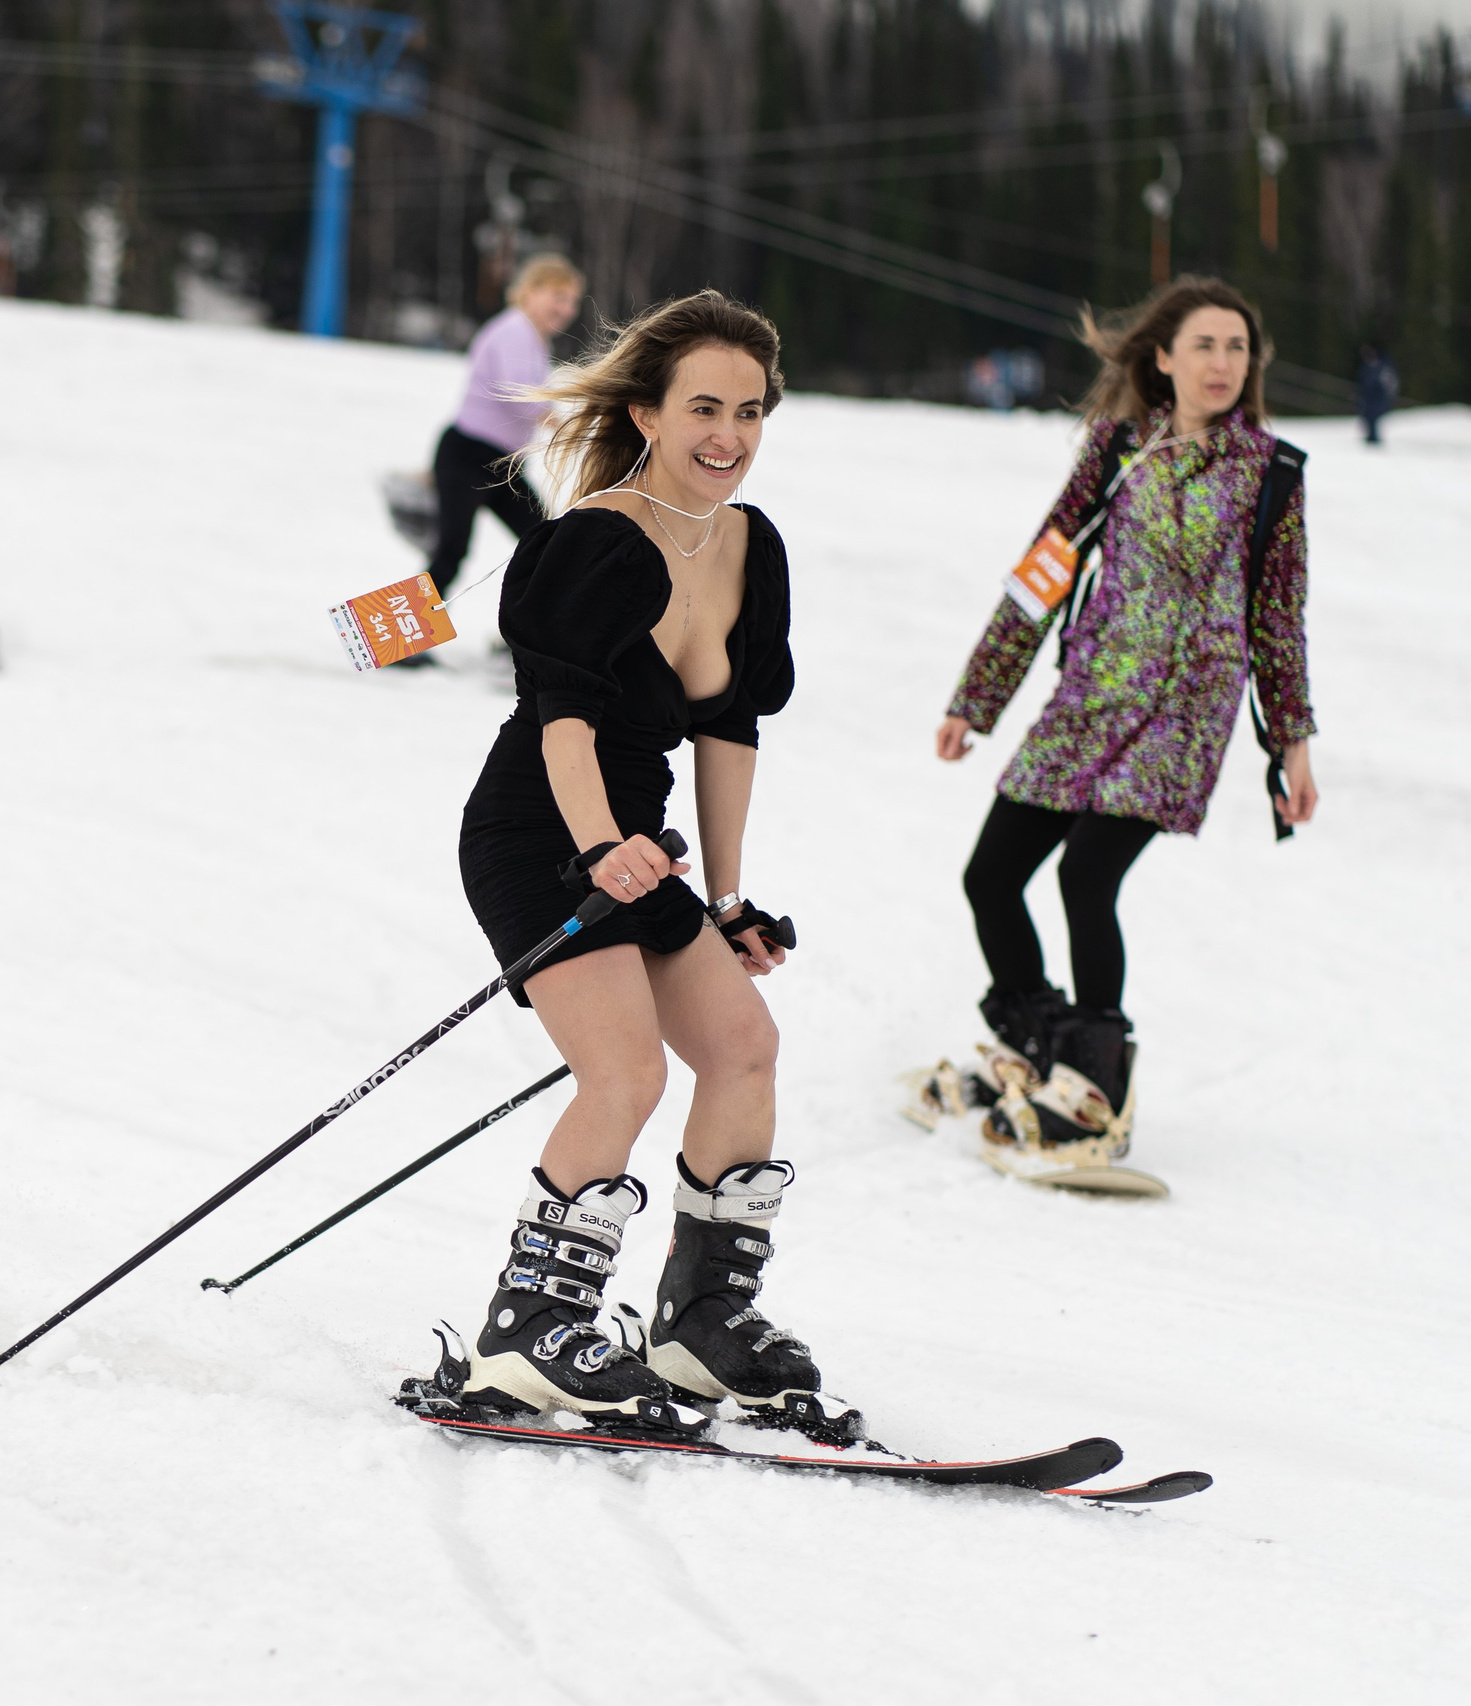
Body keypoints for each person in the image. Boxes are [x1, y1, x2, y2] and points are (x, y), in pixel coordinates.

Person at [452, 290, 848, 1442]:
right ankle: (528, 1329)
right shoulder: (595, 540)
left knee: (741, 1044)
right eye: (704, 407)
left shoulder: (745, 544)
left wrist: (723, 903)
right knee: (622, 1072)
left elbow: (729, 733)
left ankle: (699, 1319)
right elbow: (560, 722)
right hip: (542, 834)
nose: (728, 432)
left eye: (749, 410)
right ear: (647, 411)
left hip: (638, 847)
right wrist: (593, 849)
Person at [933, 276, 1318, 1155]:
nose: (1224, 363)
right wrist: (976, 699)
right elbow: (1043, 573)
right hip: (1090, 700)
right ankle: (1038, 1051)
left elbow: (1279, 620)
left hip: (1184, 716)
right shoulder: (1116, 452)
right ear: (1163, 358)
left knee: (1085, 878)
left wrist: (1290, 745)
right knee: (990, 877)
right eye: (1206, 345)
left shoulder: (1272, 475)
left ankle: (1098, 1092)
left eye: (1238, 348)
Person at [424, 254, 584, 600]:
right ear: (530, 291)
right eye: (558, 296)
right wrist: (567, 426)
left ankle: (526, 635)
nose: (567, 308)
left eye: (572, 301)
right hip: (468, 456)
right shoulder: (515, 330)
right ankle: (393, 642)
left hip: (501, 465)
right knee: (451, 552)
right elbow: (521, 396)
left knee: (544, 543)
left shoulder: (533, 337)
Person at [1356, 343, 1398, 445]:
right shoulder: (1366, 367)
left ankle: (1373, 438)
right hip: (1368, 399)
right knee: (1368, 418)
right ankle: (1371, 437)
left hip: (1377, 398)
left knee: (1373, 417)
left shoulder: (1381, 367)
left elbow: (1388, 383)